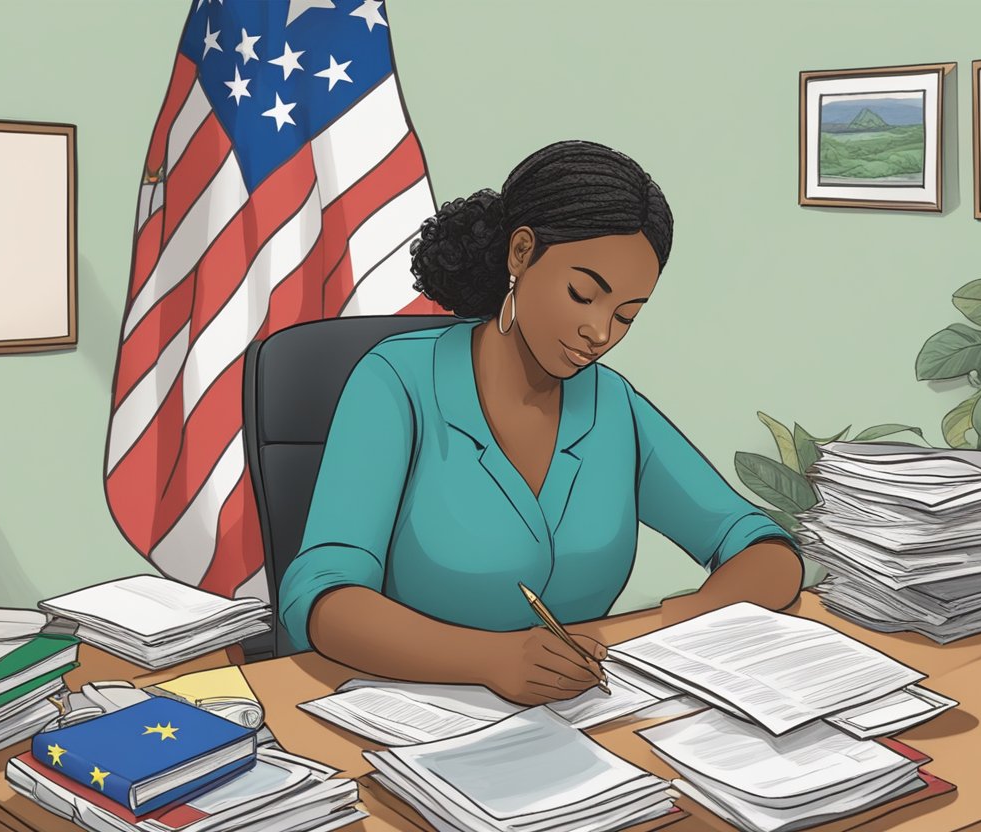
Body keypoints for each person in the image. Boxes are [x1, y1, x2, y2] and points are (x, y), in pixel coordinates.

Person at [278, 140, 804, 705]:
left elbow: (763, 547)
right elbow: (322, 596)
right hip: (406, 714)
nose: (601, 333)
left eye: (627, 314)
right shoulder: (396, 382)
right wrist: (489, 659)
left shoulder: (612, 405)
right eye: (583, 295)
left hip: (578, 715)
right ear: (521, 253)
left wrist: (684, 626)